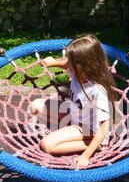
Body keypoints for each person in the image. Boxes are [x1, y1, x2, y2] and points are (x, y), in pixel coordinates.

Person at [30, 35, 116, 167]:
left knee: (47, 145)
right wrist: (52, 62)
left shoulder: (97, 91)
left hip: (90, 130)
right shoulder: (77, 72)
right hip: (75, 115)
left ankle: (97, 146)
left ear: (84, 65)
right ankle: (65, 131)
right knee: (35, 105)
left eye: (70, 61)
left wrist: (85, 156)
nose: (67, 63)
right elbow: (66, 65)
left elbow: (103, 130)